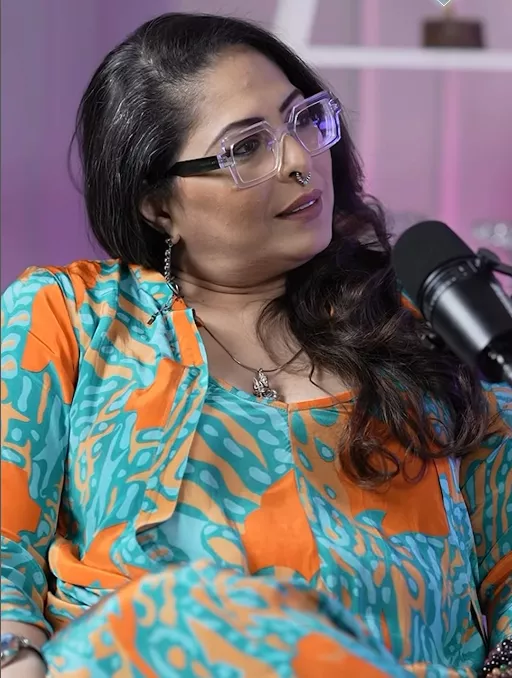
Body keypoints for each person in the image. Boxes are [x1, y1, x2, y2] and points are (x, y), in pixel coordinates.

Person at [1, 11, 510, 678]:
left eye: (303, 118)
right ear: (158, 204)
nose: (299, 159)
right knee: (184, 608)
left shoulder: (415, 325)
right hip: (145, 659)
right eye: (245, 148)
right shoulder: (72, 318)